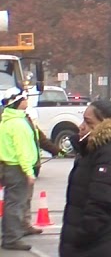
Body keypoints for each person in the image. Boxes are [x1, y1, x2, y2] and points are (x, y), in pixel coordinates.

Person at [58, 98, 111, 257]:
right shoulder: (91, 150)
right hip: (92, 243)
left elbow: (100, 202)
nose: (81, 127)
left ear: (105, 125)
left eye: (88, 123)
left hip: (103, 244)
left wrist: (80, 236)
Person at [0, 88, 37, 250]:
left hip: (9, 167)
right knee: (16, 204)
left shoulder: (6, 121)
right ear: (17, 102)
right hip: (17, 169)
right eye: (24, 98)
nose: (27, 100)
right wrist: (29, 172)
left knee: (10, 203)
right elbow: (22, 150)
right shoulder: (18, 124)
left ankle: (9, 235)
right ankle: (12, 238)